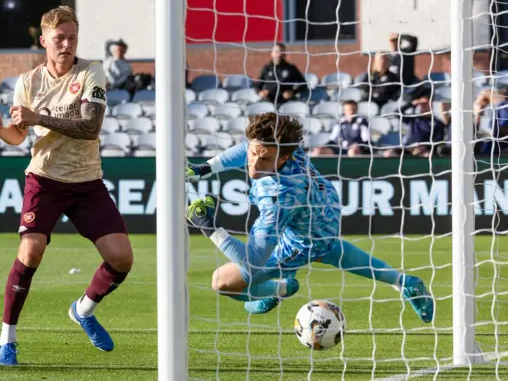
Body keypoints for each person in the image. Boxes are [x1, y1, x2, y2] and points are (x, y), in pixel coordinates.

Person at [0, 6, 134, 366]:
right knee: (30, 251)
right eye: (59, 38)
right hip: (45, 178)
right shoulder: (28, 81)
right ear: (44, 41)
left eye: (72, 38)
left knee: (122, 258)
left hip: (87, 180)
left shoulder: (92, 71)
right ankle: (7, 338)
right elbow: (19, 136)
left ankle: (83, 310)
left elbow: (90, 126)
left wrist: (39, 118)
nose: (67, 44)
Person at [185, 113, 434, 323]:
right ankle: (406, 282)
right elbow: (248, 147)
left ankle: (281, 288)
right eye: (254, 154)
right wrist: (204, 168)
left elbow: (252, 263)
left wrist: (209, 227)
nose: (254, 165)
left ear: (282, 158)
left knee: (223, 281)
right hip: (324, 207)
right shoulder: (284, 149)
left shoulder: (280, 196)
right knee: (335, 250)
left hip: (303, 238)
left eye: (265, 160)